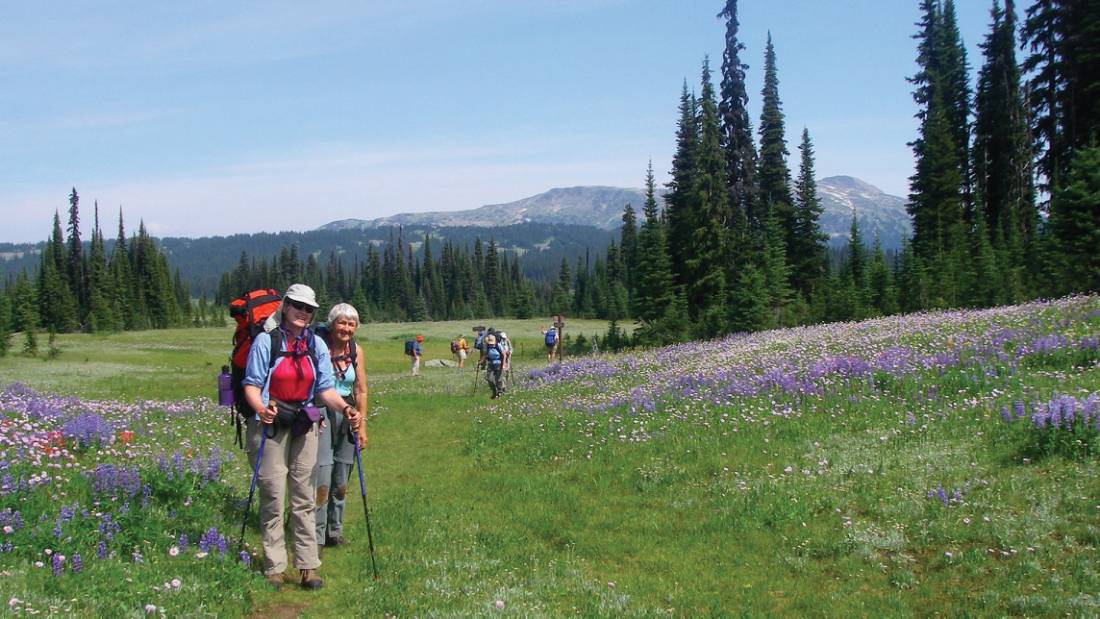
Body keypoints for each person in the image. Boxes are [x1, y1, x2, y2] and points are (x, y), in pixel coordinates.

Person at [241, 284, 363, 591]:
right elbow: (252, 385)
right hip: (269, 424)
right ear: (285, 306)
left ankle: (308, 566)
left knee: (304, 497)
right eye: (297, 305)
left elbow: (324, 390)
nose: (303, 312)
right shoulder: (264, 342)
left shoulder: (315, 345)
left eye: (308, 308)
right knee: (272, 494)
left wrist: (347, 409)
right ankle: (274, 566)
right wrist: (260, 408)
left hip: (304, 424)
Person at [313, 303, 368, 551]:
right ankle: (316, 535)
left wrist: (362, 425)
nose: (346, 328)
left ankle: (335, 531)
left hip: (348, 413)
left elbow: (361, 389)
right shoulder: (317, 346)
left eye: (351, 324)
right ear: (332, 323)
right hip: (321, 411)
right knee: (323, 472)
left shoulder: (356, 351)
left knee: (343, 474)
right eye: (342, 323)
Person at [478, 333, 505, 399]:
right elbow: (484, 355)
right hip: (490, 364)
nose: (490, 344)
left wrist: (503, 364)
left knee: (498, 380)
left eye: (491, 342)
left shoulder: (498, 345)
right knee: (489, 379)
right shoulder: (487, 346)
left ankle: (499, 392)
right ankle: (494, 391)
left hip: (499, 364)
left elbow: (504, 355)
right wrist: (480, 362)